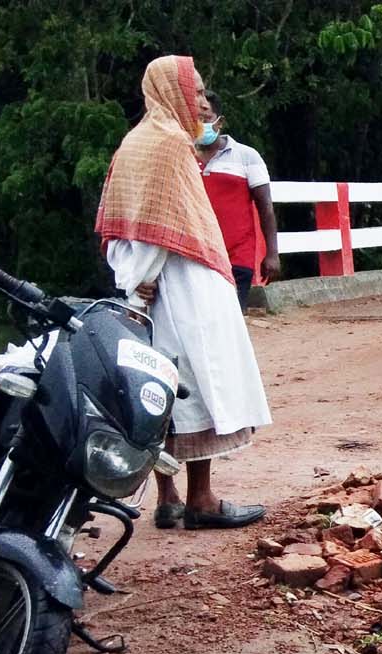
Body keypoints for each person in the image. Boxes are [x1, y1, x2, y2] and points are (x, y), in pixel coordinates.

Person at [95, 55, 270, 530]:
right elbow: (161, 225)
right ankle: (202, 499)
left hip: (148, 290)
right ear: (171, 91)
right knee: (196, 383)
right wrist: (142, 276)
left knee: (154, 391)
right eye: (194, 92)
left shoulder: (134, 142)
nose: (199, 102)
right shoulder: (173, 144)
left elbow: (119, 225)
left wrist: (128, 278)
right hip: (182, 285)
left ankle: (167, 498)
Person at [194, 91, 281, 312]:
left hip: (237, 256)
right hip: (196, 255)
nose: (200, 124)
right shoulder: (184, 157)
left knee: (230, 319)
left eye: (206, 118)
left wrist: (272, 253)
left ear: (219, 121)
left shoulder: (246, 156)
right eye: (196, 119)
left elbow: (266, 208)